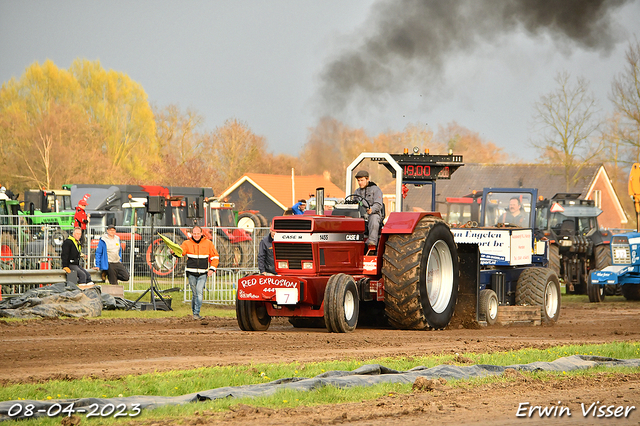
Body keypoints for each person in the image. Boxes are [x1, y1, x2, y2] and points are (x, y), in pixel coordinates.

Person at [173, 226, 219, 320]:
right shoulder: (186, 243)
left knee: (199, 292)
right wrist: (173, 252)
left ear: (202, 233)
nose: (196, 235)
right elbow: (180, 253)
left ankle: (196, 313)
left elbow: (215, 257)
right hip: (191, 273)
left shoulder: (209, 243)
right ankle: (194, 312)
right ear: (192, 234)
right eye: (194, 233)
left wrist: (212, 269)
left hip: (203, 273)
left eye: (198, 233)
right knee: (195, 294)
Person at [354, 170, 385, 254]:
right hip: (361, 215)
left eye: (362, 180)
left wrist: (371, 209)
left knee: (374, 218)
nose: (360, 183)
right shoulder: (357, 192)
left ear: (367, 179)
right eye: (358, 181)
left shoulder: (376, 190)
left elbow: (378, 204)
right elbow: (354, 203)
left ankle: (371, 244)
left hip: (374, 214)